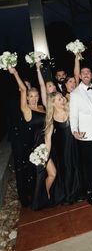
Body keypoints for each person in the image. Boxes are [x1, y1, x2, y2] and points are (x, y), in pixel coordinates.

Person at [8, 67, 45, 206]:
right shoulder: (26, 109)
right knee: (26, 170)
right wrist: (15, 73)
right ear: (27, 98)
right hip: (27, 143)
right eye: (31, 96)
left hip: (42, 143)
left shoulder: (42, 107)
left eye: (36, 96)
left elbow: (42, 86)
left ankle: (39, 194)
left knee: (38, 171)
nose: (34, 99)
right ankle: (26, 198)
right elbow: (23, 89)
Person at [69, 65, 92, 205]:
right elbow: (73, 115)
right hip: (85, 133)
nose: (85, 74)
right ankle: (91, 191)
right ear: (80, 76)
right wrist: (74, 131)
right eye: (82, 73)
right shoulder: (75, 93)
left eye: (87, 72)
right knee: (89, 164)